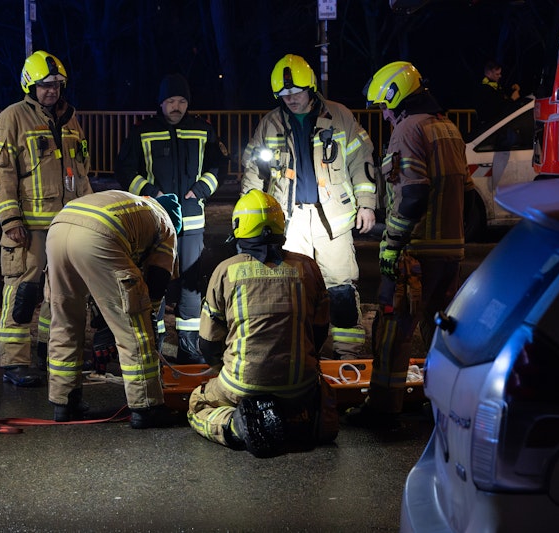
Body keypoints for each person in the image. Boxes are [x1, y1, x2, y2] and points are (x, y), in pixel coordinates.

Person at [353, 61, 473, 428]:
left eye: (384, 107)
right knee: (439, 332)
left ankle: (383, 410)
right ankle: (440, 406)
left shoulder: (408, 129)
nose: (385, 115)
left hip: (416, 250)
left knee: (393, 327)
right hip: (450, 251)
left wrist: (392, 242)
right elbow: (462, 192)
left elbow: (414, 193)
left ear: (396, 96)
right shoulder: (448, 128)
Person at [240, 54, 377, 360]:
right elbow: (252, 170)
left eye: (297, 92)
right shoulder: (269, 124)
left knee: (340, 288)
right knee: (290, 289)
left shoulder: (340, 116)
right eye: (285, 95)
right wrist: (252, 215)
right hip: (290, 218)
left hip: (334, 217)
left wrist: (367, 204)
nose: (291, 99)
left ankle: (348, 355)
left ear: (311, 87)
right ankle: (299, 354)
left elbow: (362, 162)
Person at [187, 190, 336, 457]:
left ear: (239, 229)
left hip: (242, 386)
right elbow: (319, 331)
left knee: (197, 402)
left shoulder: (225, 271)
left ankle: (235, 426)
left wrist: (224, 370)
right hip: (300, 385)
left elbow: (208, 344)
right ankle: (309, 420)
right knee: (316, 389)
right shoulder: (309, 267)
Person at [0, 50, 92, 387]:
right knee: (21, 294)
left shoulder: (70, 119)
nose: (52, 91)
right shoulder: (12, 118)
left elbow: (82, 172)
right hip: (28, 229)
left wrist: (90, 216)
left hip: (66, 226)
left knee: (60, 294)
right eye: (46, 85)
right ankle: (14, 364)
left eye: (57, 85)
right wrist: (11, 220)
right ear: (30, 85)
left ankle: (51, 352)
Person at [45, 190, 183, 426]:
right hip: (98, 235)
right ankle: (146, 407)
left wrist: (105, 326)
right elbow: (157, 281)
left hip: (58, 228)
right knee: (134, 327)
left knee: (65, 320)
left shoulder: (133, 206)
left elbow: (103, 284)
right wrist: (146, 318)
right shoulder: (166, 224)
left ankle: (64, 403)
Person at [114, 73, 222, 365]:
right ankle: (155, 342)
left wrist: (200, 190)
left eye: (182, 101)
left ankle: (189, 344)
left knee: (191, 282)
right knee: (153, 281)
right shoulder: (142, 132)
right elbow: (125, 170)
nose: (176, 107)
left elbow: (218, 166)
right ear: (160, 103)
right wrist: (150, 193)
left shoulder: (203, 130)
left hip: (192, 221)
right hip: (154, 221)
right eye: (171, 101)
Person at [474, 59, 521, 125]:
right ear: (489, 73)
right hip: (489, 125)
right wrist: (512, 99)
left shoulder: (493, 84)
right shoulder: (484, 89)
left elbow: (501, 91)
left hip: (495, 123)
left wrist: (512, 88)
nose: (500, 76)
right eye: (497, 74)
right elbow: (498, 108)